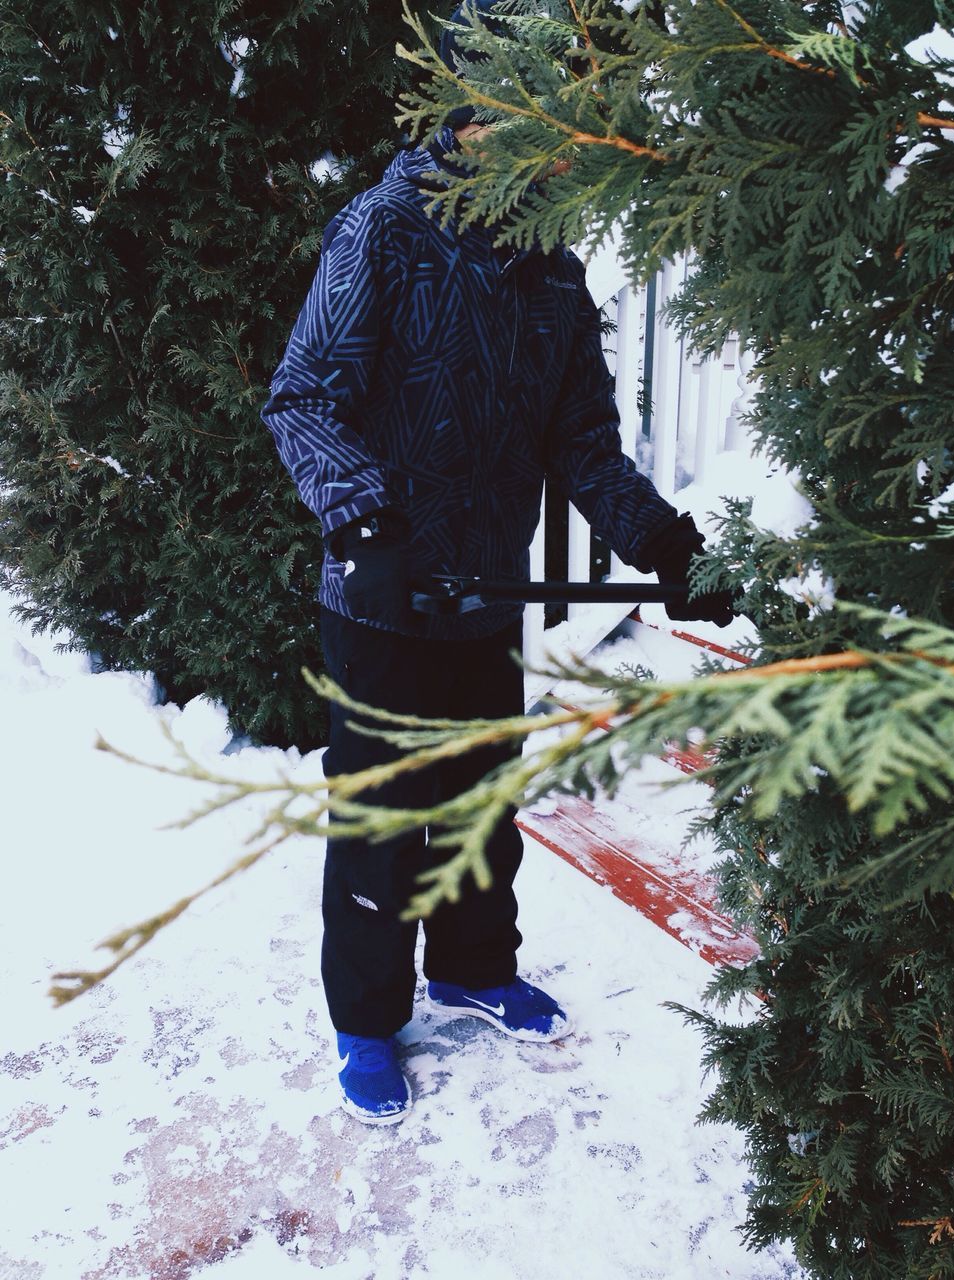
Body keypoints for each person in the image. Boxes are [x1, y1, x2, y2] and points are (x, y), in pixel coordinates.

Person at [262, 0, 734, 1125]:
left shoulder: (555, 276)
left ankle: (473, 966)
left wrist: (664, 541)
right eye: (512, 115)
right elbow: (304, 399)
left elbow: (583, 449)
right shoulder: (379, 231)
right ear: (468, 113)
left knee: (481, 801)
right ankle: (369, 1021)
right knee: (382, 820)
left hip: (480, 592)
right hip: (379, 595)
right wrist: (363, 529)